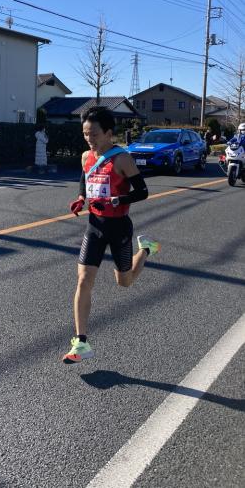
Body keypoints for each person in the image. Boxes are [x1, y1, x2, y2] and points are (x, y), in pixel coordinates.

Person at [62, 106, 161, 363]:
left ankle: (146, 249)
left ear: (108, 132)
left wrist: (118, 200)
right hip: (94, 225)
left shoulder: (122, 159)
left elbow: (142, 192)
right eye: (85, 134)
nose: (89, 139)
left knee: (124, 282)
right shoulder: (86, 157)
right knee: (83, 279)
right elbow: (85, 179)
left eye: (93, 134)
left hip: (118, 227)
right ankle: (81, 342)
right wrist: (81, 198)